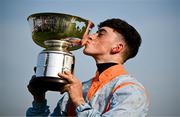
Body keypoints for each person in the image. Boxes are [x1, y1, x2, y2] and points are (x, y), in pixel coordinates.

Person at [26, 18, 149, 116]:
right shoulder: (78, 89)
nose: (90, 36)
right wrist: (39, 100)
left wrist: (79, 101)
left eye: (100, 34)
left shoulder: (130, 90)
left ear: (117, 47)